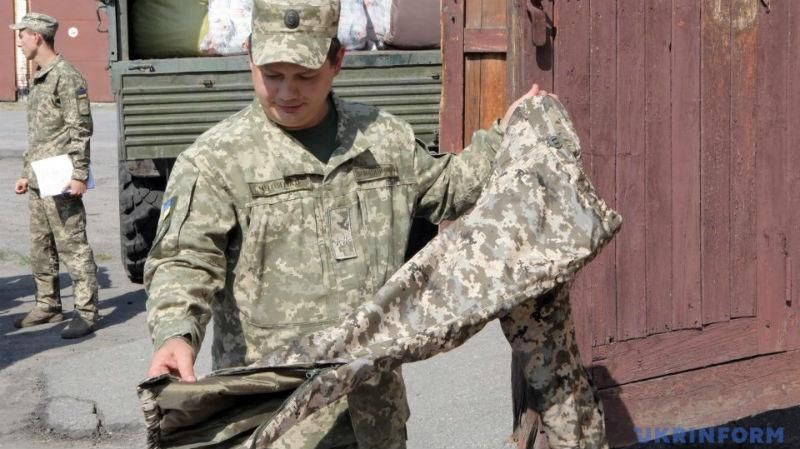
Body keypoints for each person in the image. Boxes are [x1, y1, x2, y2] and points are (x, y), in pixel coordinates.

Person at [144, 0, 552, 447]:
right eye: (272, 75)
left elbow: (451, 187)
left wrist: (506, 133)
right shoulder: (215, 162)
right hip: (279, 417)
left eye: (304, 76)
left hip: (373, 413)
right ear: (249, 55)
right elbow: (183, 260)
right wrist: (176, 334)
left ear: (337, 61)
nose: (286, 93)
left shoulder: (384, 139)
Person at [11, 12, 99, 339]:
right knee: (41, 245)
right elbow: (39, 134)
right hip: (39, 178)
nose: (18, 41)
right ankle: (48, 304)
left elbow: (81, 129)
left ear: (37, 36)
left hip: (61, 177)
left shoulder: (66, 76)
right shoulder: (40, 77)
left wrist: (79, 174)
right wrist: (25, 172)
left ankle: (87, 312)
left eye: (22, 35)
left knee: (72, 244)